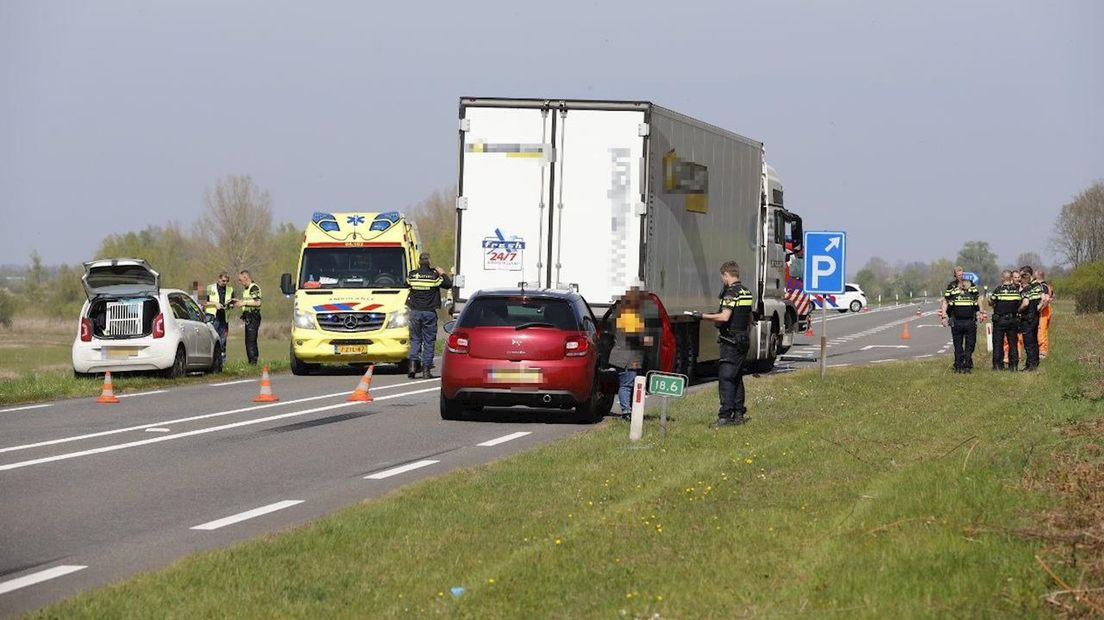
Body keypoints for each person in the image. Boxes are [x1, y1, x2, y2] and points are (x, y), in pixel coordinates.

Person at [688, 261, 755, 428]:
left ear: (726, 275)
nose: (722, 280)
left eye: (722, 277)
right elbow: (750, 318)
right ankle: (739, 413)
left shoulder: (731, 293)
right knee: (737, 377)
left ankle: (725, 416)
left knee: (726, 378)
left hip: (730, 341)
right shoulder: (746, 292)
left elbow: (724, 317)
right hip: (743, 339)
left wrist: (702, 316)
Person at [605, 287, 659, 417]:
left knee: (630, 384)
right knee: (627, 384)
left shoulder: (620, 314)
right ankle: (627, 412)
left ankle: (630, 410)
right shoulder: (629, 316)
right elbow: (636, 337)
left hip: (623, 357)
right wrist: (648, 340)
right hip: (628, 358)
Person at [406, 252, 452, 379]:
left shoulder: (412, 275)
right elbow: (448, 284)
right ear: (429, 262)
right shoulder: (434, 276)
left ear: (419, 262)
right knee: (429, 341)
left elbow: (405, 284)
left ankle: (412, 366)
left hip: (415, 312)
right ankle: (426, 370)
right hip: (429, 313)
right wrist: (441, 272)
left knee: (415, 339)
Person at [942, 278, 982, 373]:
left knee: (958, 345)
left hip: (957, 323)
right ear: (968, 287)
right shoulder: (972, 298)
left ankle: (958, 366)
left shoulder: (954, 298)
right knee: (969, 345)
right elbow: (976, 308)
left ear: (959, 287)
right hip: (969, 323)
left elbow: (949, 310)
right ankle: (967, 366)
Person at [988, 270, 1024, 371]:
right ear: (1011, 278)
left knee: (998, 343)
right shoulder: (1015, 291)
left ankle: (998, 366)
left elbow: (991, 301)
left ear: (1002, 278)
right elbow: (1019, 303)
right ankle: (1013, 366)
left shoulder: (998, 290)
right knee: (1013, 343)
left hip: (1000, 320)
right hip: (1012, 320)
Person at [203, 272, 234, 363]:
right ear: (219, 279)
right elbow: (202, 302)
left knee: (223, 341)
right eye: (224, 280)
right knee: (212, 340)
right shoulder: (210, 288)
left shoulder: (230, 289)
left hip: (224, 318)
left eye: (227, 281)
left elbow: (233, 302)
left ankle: (222, 362)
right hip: (213, 318)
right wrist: (215, 304)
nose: (225, 283)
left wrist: (230, 305)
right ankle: (211, 361)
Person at [233, 270, 262, 365]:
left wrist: (244, 303)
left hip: (253, 316)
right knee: (248, 341)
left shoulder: (253, 288)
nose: (240, 282)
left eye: (240, 280)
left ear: (246, 278)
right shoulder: (246, 289)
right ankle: (251, 361)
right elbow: (248, 301)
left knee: (251, 341)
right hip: (248, 317)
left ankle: (253, 362)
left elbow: (258, 302)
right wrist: (238, 301)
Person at [1019, 265, 1044, 371]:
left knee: (1028, 343)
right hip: (1035, 316)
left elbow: (1025, 303)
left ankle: (1030, 366)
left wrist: (1018, 310)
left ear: (1025, 277)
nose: (1019, 281)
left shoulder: (1026, 289)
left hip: (1027, 318)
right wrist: (1037, 309)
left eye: (1021, 278)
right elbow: (1043, 299)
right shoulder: (1038, 286)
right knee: (1034, 341)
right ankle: (1035, 362)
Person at [1036, 269, 1053, 359]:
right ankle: (1045, 350)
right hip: (1048, 311)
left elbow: (1046, 299)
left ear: (1038, 276)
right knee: (1045, 331)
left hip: (1044, 312)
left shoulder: (1042, 286)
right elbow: (1052, 296)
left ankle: (1042, 351)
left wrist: (1040, 308)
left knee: (1041, 331)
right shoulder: (1048, 285)